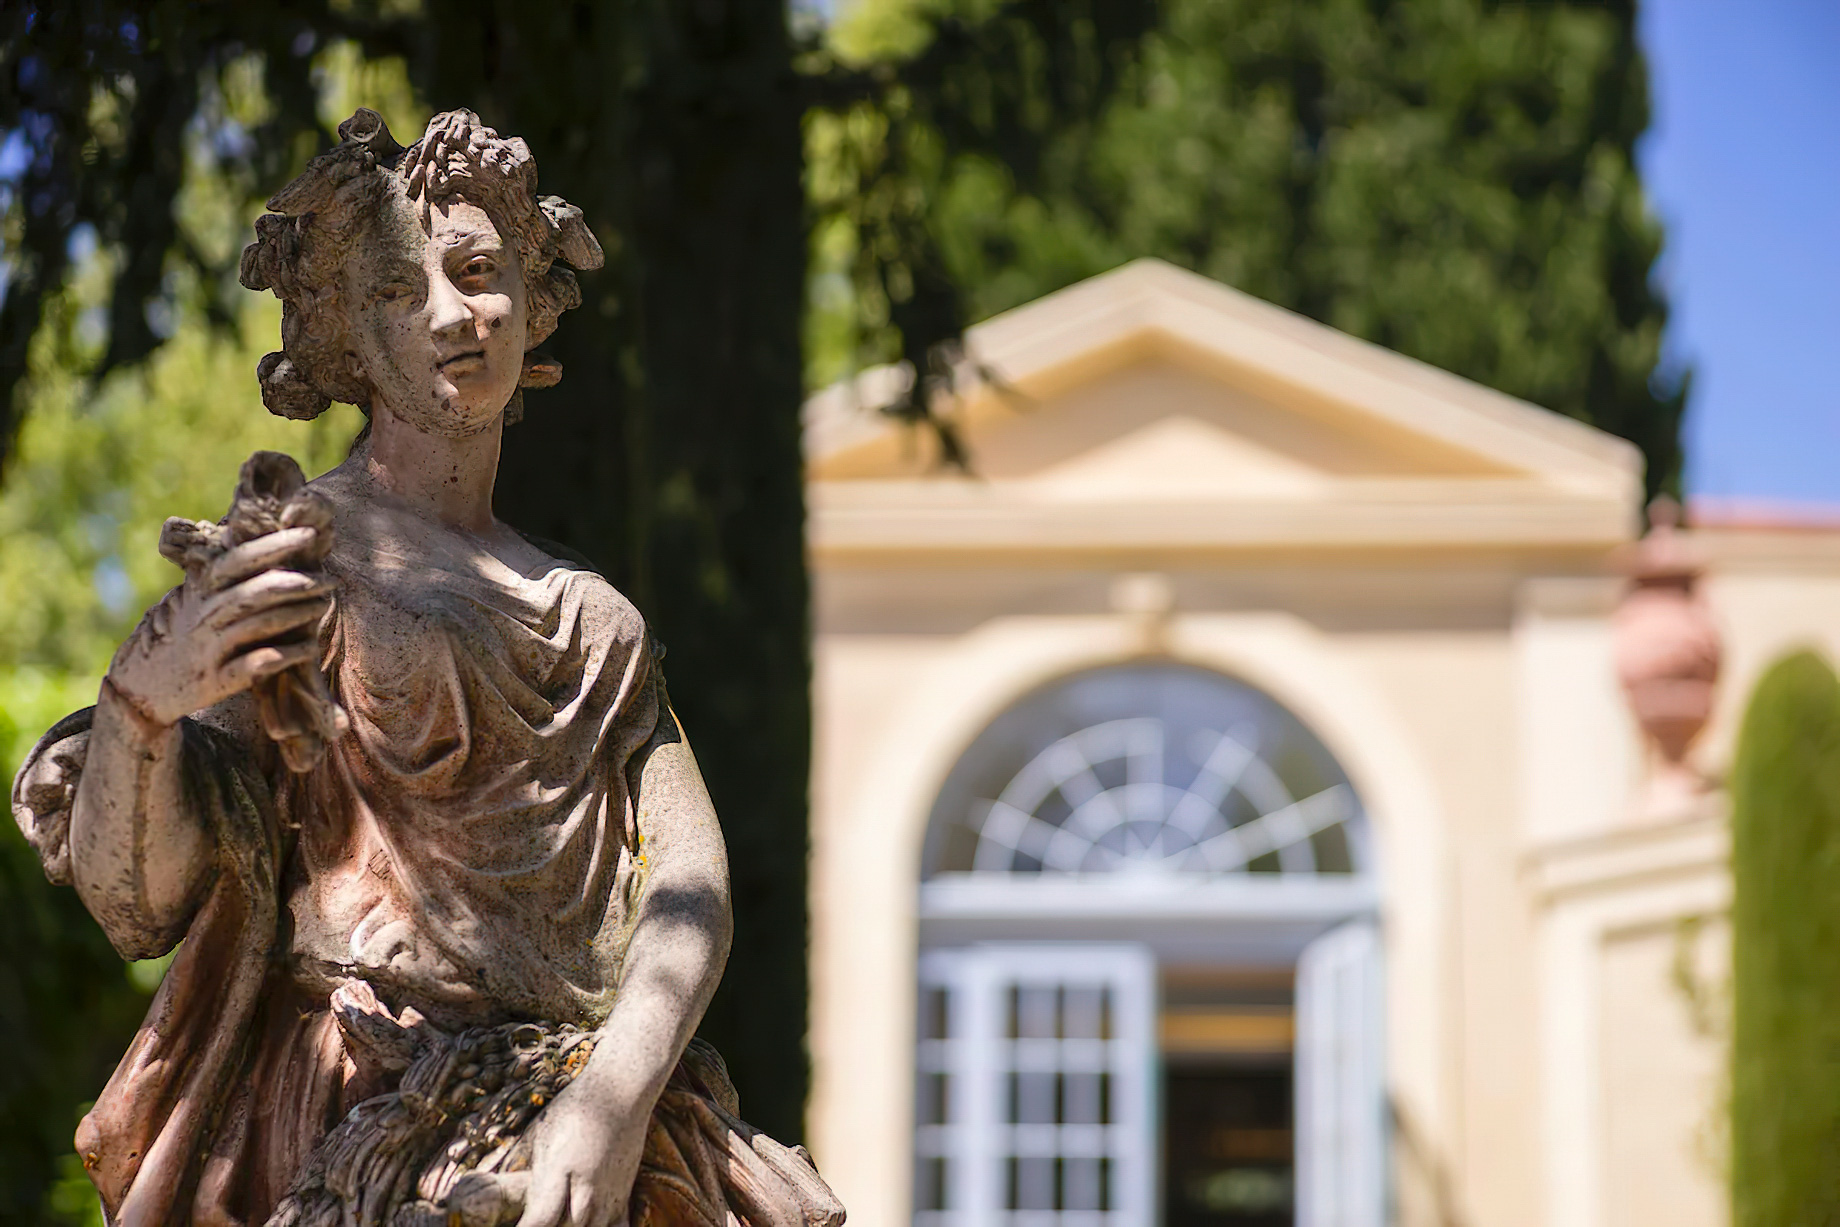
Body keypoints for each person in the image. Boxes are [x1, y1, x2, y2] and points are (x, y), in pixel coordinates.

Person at [10, 108, 841, 1227]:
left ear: (532, 299)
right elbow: (141, 905)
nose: (454, 314)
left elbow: (691, 889)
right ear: (349, 331)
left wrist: (613, 1096)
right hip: (362, 1107)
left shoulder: (596, 620)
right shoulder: (303, 561)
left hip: (591, 1121)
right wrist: (139, 713)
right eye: (403, 291)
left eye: (479, 271)